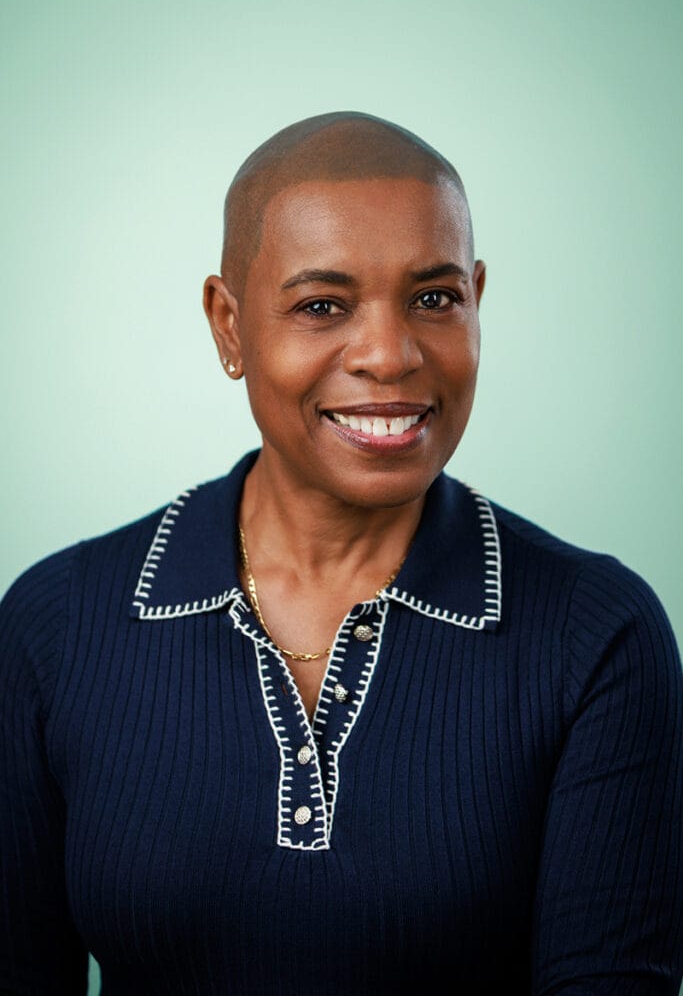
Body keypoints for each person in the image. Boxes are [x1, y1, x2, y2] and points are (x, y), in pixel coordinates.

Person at [1, 112, 681, 996]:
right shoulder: (57, 626)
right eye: (322, 306)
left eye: (435, 298)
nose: (388, 356)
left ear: (479, 298)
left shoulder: (597, 638)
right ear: (229, 327)